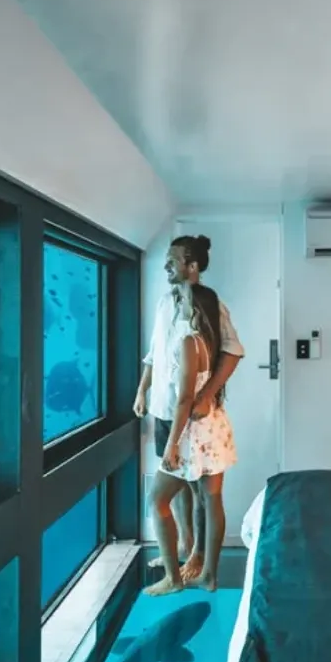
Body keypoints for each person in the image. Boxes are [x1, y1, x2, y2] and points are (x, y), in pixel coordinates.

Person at [133, 234, 244, 583]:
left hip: (192, 416)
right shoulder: (166, 303)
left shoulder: (209, 306)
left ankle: (199, 562)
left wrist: (208, 393)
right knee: (178, 487)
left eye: (173, 260)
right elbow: (155, 353)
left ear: (192, 266)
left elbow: (233, 351)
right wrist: (142, 390)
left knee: (200, 491)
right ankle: (183, 549)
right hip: (164, 412)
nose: (166, 265)